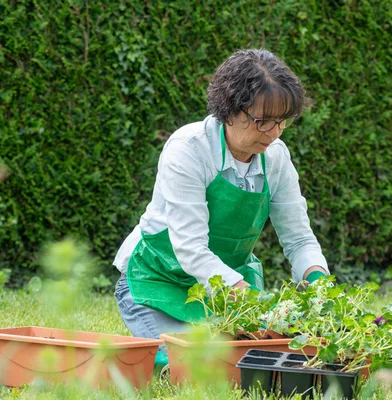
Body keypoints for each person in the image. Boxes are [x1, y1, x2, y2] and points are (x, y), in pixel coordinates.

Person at [112, 49, 329, 368]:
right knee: (197, 366)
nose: (274, 133)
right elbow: (190, 248)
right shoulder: (189, 150)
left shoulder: (277, 157)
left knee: (262, 362)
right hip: (157, 282)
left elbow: (299, 240)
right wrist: (254, 302)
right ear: (229, 111)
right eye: (262, 121)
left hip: (226, 291)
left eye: (281, 121)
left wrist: (319, 281)